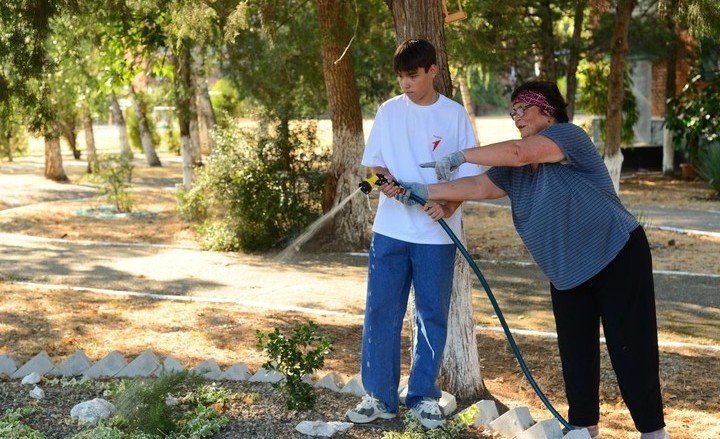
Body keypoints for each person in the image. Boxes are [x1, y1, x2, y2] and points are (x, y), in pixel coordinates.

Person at [396, 81, 669, 439]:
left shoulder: (568, 137)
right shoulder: (516, 171)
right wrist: (417, 190)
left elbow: (518, 152)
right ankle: (584, 429)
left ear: (548, 110)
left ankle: (653, 433)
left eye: (524, 108)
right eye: (513, 112)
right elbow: (479, 187)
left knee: (630, 350)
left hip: (616, 254)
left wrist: (462, 155)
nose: (517, 116)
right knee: (576, 356)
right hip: (567, 273)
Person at [345, 39, 482, 429]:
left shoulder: (454, 116)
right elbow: (375, 166)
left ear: (432, 71)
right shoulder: (388, 112)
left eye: (412, 75)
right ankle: (379, 397)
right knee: (381, 312)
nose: (405, 83)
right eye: (401, 76)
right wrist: (384, 182)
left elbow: (469, 177)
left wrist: (449, 206)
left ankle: (422, 396)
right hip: (390, 232)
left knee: (431, 316)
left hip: (436, 236)